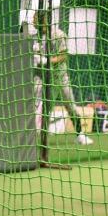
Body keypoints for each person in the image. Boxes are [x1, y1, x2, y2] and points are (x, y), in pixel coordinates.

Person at [32, 8, 92, 146]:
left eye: (35, 18)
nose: (33, 21)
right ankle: (39, 138)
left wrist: (48, 61)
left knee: (70, 106)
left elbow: (64, 55)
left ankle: (80, 135)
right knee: (41, 108)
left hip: (59, 78)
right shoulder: (35, 37)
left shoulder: (57, 34)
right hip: (42, 79)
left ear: (44, 20)